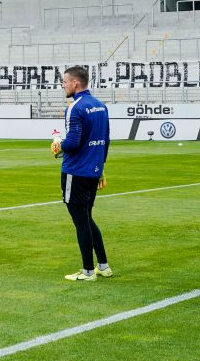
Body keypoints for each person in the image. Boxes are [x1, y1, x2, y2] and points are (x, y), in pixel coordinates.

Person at [51, 65, 112, 282]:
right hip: (93, 171)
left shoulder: (75, 107)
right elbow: (105, 139)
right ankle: (103, 265)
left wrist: (59, 145)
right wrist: (101, 167)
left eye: (65, 82)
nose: (63, 86)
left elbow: (74, 142)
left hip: (75, 172)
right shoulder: (100, 106)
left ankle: (87, 271)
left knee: (81, 221)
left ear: (75, 83)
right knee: (87, 218)